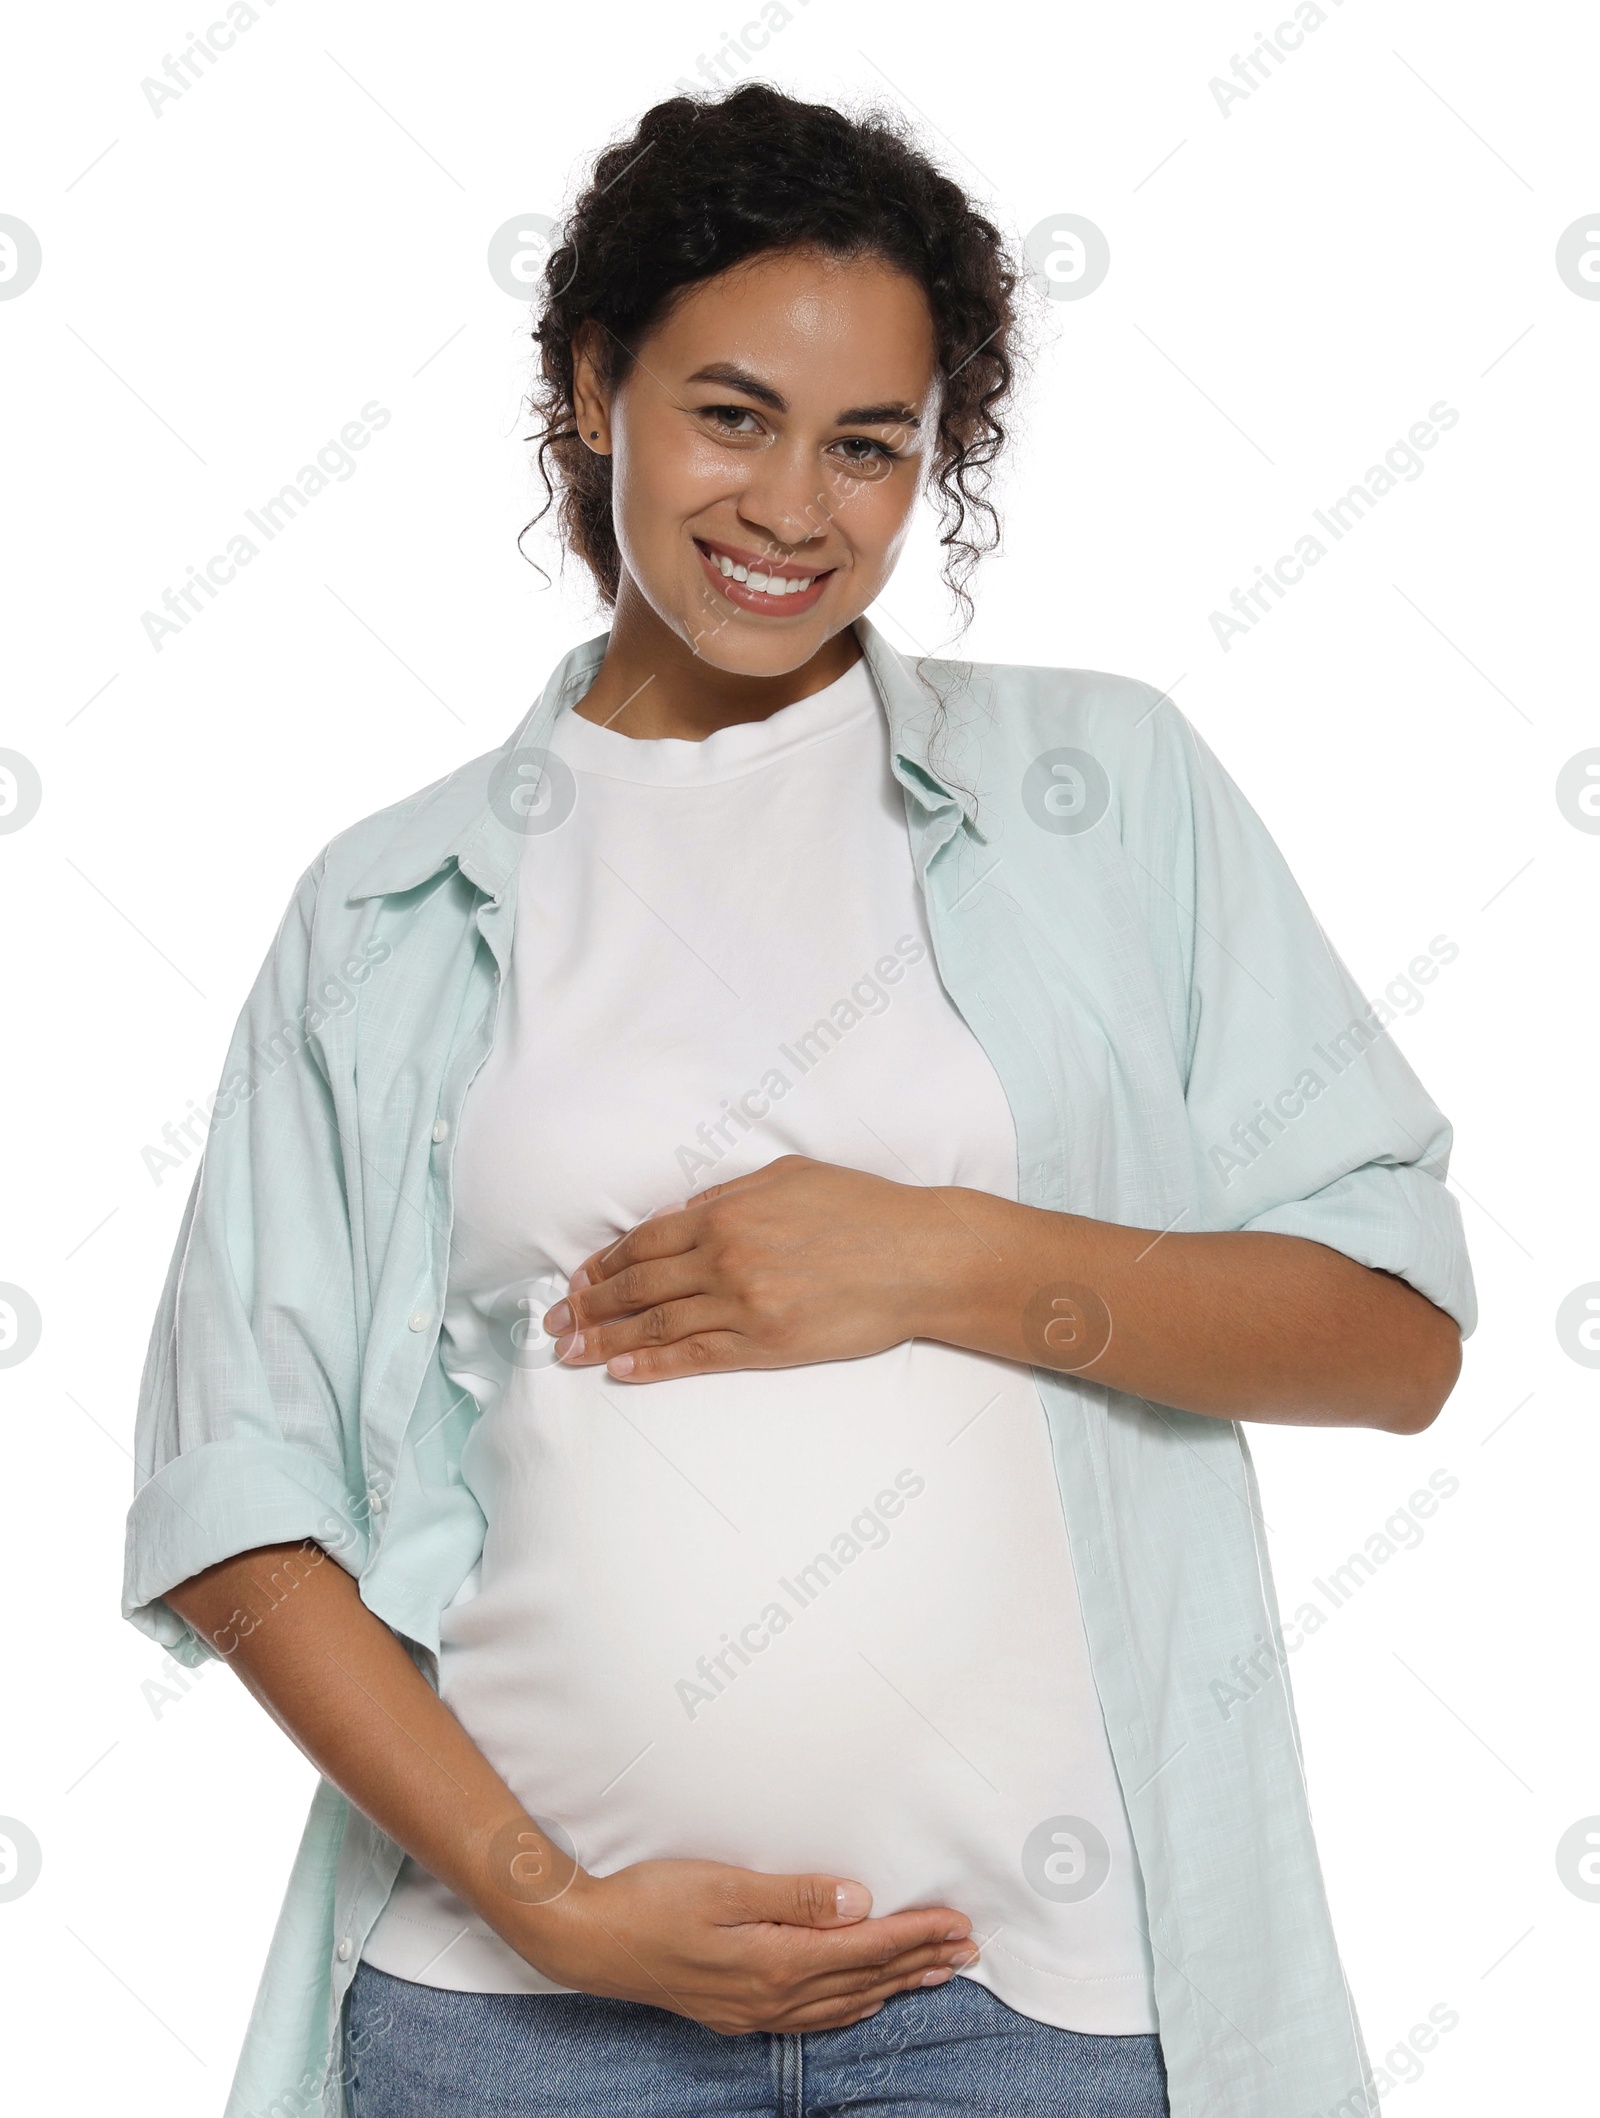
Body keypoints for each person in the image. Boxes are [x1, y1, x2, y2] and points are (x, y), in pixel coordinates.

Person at [124, 81, 1474, 2118]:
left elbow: (1388, 1339)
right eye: (729, 414)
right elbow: (241, 1501)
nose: (792, 508)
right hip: (514, 2016)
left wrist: (933, 1252)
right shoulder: (388, 908)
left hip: (1037, 2006)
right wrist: (550, 1906)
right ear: (595, 391)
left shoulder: (1099, 796)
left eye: (871, 447)